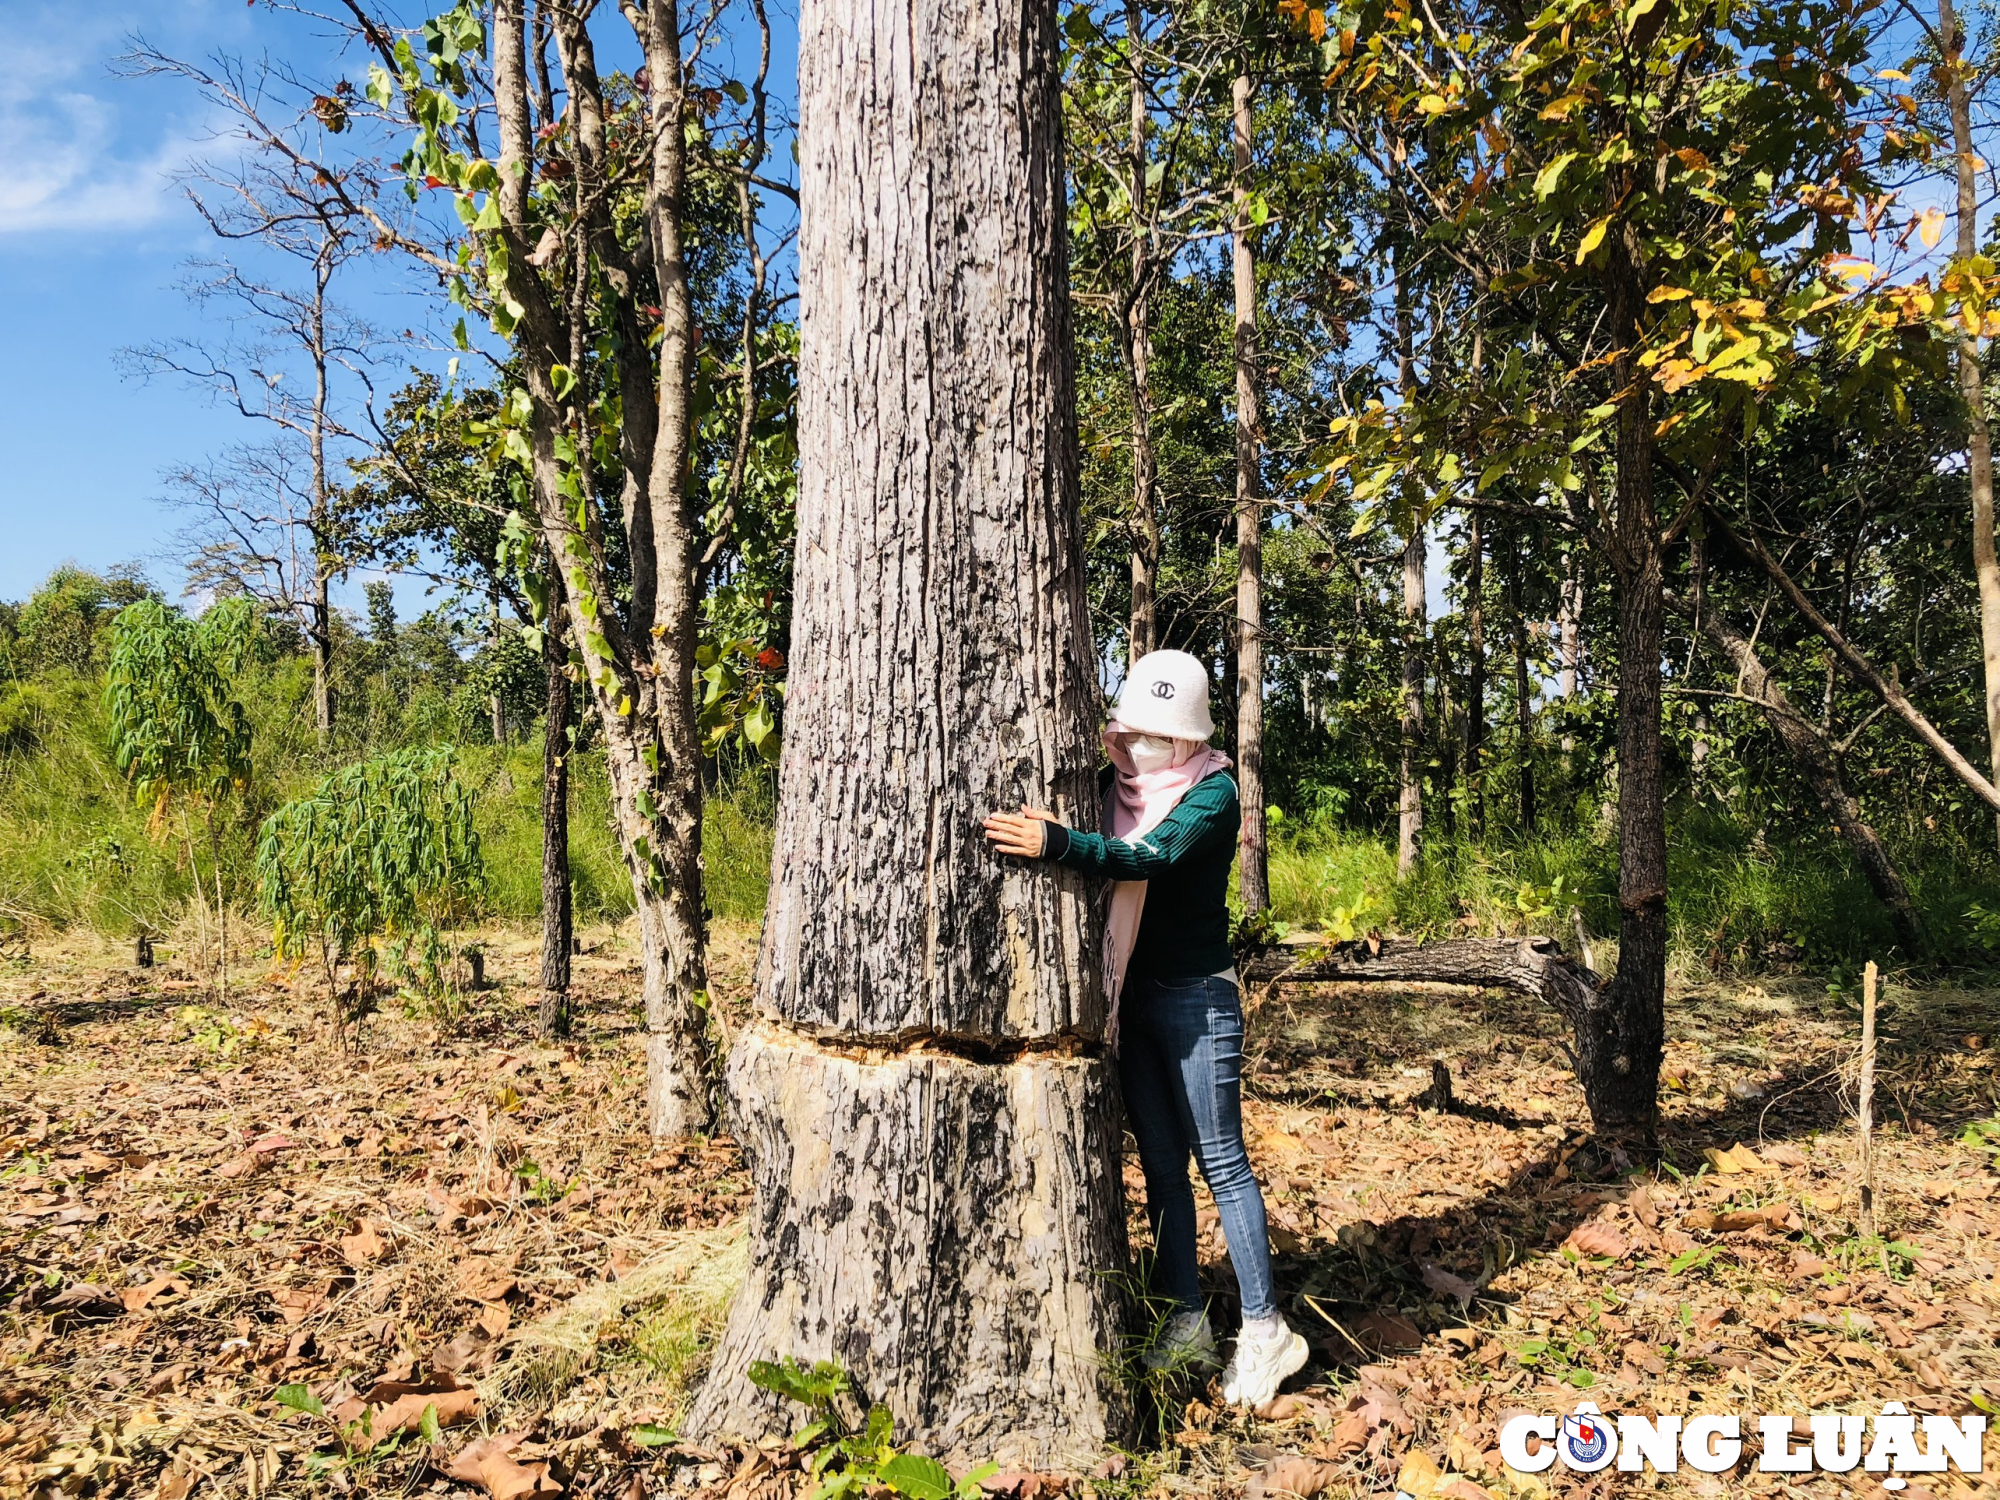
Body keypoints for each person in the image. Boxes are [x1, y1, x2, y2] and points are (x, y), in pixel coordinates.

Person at [982, 649, 1309, 1410]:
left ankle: (1265, 1330)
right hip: (1130, 995)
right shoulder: (1110, 789)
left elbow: (1150, 857)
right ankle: (1187, 1317)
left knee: (1221, 1160)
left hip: (1197, 999)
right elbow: (1105, 829)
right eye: (1131, 734)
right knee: (1162, 1165)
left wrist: (1059, 845)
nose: (1139, 750)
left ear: (1190, 738)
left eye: (1158, 738)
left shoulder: (1213, 793)